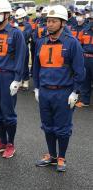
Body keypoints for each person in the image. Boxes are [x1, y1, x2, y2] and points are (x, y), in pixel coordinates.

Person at [33, 5, 85, 172]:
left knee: (62, 128)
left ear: (63, 23)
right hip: (45, 91)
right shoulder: (41, 42)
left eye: (54, 21)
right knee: (47, 125)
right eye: (48, 21)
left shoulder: (72, 43)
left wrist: (75, 92)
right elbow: (36, 67)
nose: (49, 24)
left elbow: (79, 70)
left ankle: (61, 157)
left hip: (63, 92)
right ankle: (51, 155)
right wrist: (37, 88)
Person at [0, 0, 26, 158]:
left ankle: (10, 143)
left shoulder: (16, 33)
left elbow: (21, 57)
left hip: (8, 77)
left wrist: (17, 79)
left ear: (8, 15)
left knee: (8, 113)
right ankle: (2, 141)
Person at [76, 11, 93, 107]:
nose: (91, 21)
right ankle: (85, 101)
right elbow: (79, 43)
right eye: (91, 19)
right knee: (86, 79)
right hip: (86, 58)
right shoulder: (84, 31)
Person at [15, 8, 32, 90]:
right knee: (17, 65)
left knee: (24, 64)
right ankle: (18, 81)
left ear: (24, 17)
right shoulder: (15, 25)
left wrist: (17, 31)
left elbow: (25, 35)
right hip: (15, 48)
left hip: (24, 47)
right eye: (18, 18)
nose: (19, 20)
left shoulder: (28, 26)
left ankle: (25, 81)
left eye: (20, 18)